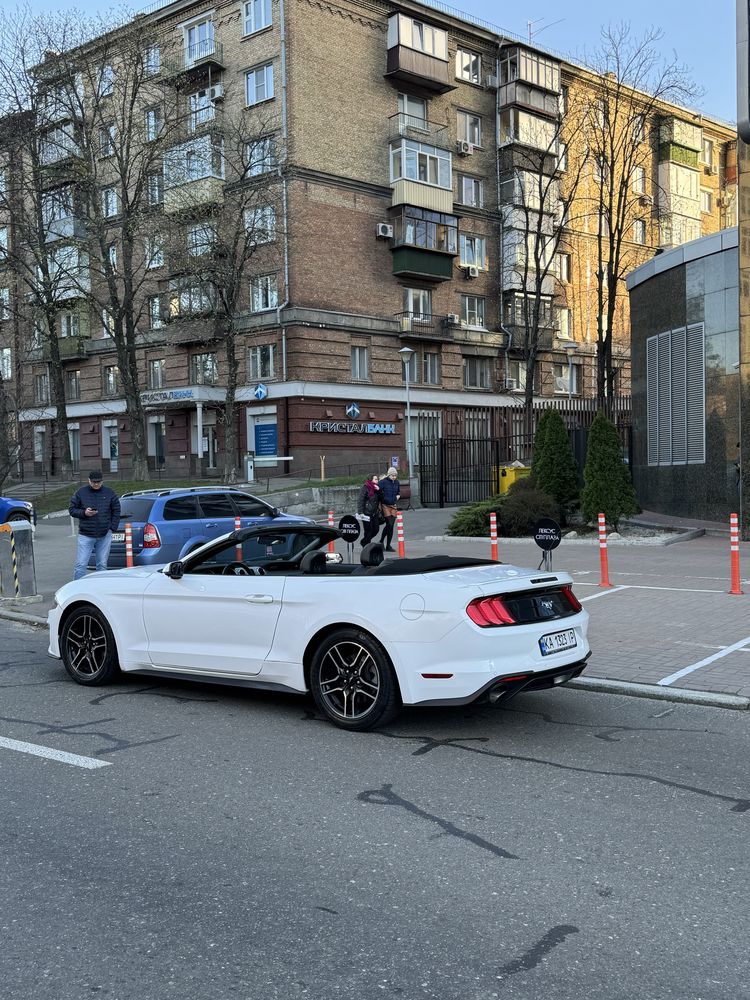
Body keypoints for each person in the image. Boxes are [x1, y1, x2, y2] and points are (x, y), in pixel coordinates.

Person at [69, 470, 121, 580]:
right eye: (93, 482)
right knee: (81, 565)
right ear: (89, 481)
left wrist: (112, 528)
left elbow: (116, 510)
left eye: (98, 482)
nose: (96, 484)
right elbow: (72, 510)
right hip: (86, 534)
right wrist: (84, 513)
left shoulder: (109, 493)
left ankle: (100, 588)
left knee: (102, 564)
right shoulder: (81, 492)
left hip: (104, 534)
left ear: (102, 481)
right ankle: (76, 588)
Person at [356, 473, 382, 547]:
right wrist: (360, 512)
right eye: (376, 479)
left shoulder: (377, 488)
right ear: (371, 480)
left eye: (377, 479)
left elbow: (382, 498)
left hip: (375, 512)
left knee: (376, 529)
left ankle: (364, 541)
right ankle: (367, 546)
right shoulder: (365, 488)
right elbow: (361, 500)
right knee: (368, 531)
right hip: (366, 513)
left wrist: (379, 490)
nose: (377, 481)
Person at [378, 467, 400, 552]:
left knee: (391, 526)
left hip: (393, 505)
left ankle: (388, 545)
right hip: (385, 505)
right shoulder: (383, 482)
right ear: (389, 474)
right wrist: (382, 498)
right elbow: (377, 490)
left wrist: (398, 496)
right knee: (389, 524)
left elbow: (398, 492)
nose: (394, 477)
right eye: (392, 475)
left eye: (395, 475)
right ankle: (381, 541)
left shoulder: (397, 482)